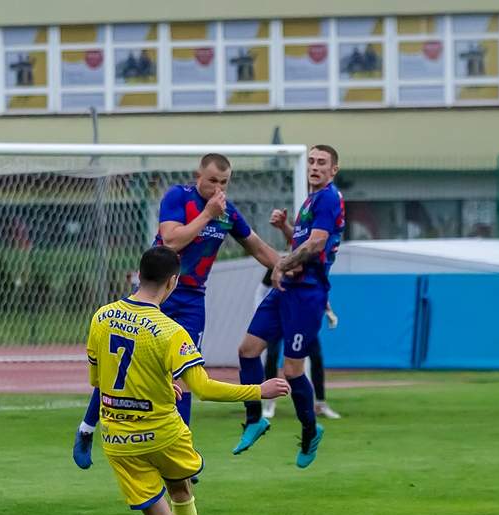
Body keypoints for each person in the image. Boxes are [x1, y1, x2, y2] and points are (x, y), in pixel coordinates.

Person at [85, 246, 290, 515]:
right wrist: (258, 390)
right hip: (163, 432)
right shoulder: (170, 331)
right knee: (180, 491)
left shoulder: (102, 317)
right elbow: (204, 388)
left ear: (138, 275)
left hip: (118, 436)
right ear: (173, 282)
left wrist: (156, 385)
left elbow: (99, 380)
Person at [73, 153, 282, 468]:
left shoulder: (228, 213)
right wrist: (207, 215)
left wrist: (288, 268)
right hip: (156, 292)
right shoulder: (178, 197)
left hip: (192, 301)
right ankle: (87, 429)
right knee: (119, 361)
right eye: (212, 180)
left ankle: (180, 453)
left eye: (224, 182)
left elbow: (259, 248)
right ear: (198, 176)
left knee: (185, 375)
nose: (217, 188)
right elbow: (171, 240)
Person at [233, 145, 345, 468]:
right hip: (287, 288)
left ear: (334, 170)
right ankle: (254, 419)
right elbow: (302, 241)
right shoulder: (311, 200)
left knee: (293, 370)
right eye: (311, 161)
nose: (314, 166)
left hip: (307, 294)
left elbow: (317, 243)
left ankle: (310, 431)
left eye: (322, 162)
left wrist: (281, 265)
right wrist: (285, 228)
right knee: (248, 350)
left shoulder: (329, 197)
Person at [257, 266, 342, 420]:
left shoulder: (311, 268)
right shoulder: (279, 264)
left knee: (316, 357)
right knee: (272, 355)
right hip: (278, 319)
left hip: (301, 320)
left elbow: (319, 293)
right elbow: (262, 290)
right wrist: (263, 314)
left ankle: (320, 403)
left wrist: (328, 311)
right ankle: (269, 402)